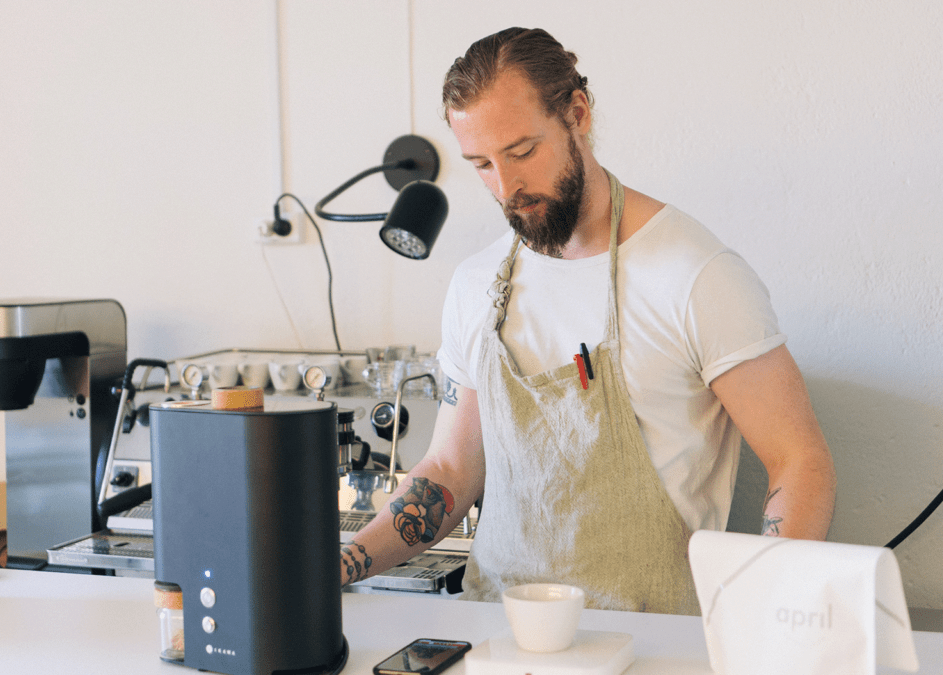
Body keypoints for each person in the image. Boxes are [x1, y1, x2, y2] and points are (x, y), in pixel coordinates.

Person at [339, 27, 836, 615]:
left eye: (522, 152)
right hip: (497, 631)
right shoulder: (478, 285)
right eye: (481, 165)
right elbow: (450, 469)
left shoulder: (695, 275)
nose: (507, 188)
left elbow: (799, 459)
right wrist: (341, 565)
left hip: (651, 647)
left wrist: (766, 614)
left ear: (578, 114)